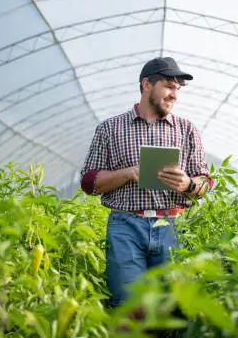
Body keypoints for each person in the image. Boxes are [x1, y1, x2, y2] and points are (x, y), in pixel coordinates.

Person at [80, 56, 213, 309]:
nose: (174, 95)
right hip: (125, 226)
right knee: (130, 307)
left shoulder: (187, 130)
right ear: (146, 85)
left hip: (172, 225)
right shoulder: (110, 128)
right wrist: (128, 173)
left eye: (177, 89)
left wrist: (188, 184)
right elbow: (88, 182)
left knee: (172, 307)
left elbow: (205, 181)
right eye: (169, 86)